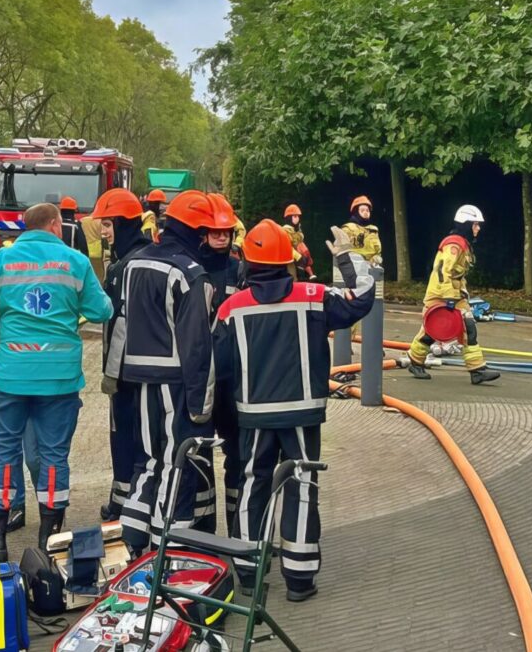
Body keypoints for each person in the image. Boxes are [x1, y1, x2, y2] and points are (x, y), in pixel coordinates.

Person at [218, 220, 375, 603]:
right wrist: (346, 257)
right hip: (303, 415)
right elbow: (363, 295)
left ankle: (249, 573)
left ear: (248, 262)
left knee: (253, 486)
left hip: (253, 416)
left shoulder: (230, 308)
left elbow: (218, 369)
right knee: (302, 487)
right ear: (288, 261)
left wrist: (222, 417)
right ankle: (299, 580)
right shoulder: (314, 296)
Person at [0, 203, 114, 560]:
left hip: (12, 372)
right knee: (53, 454)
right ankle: (51, 536)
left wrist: (3, 331)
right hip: (59, 376)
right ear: (54, 225)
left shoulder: (2, 260)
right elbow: (102, 310)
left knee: (3, 449)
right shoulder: (75, 262)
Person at [109, 189, 219, 555]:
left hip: (138, 381)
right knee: (178, 464)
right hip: (176, 384)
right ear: (194, 232)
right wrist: (201, 405)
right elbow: (196, 345)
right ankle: (168, 550)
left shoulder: (135, 262)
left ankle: (133, 542)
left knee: (147, 462)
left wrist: (115, 376)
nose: (207, 239)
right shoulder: (191, 274)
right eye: (204, 231)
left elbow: (121, 325)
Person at [94, 187, 149, 522]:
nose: (103, 232)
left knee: (124, 438)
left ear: (125, 225)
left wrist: (111, 375)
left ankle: (122, 504)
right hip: (154, 372)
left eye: (109, 225)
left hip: (126, 372)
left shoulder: (121, 270)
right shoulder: (153, 257)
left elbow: (117, 329)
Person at [404, 206, 502, 385]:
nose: (478, 228)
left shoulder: (461, 244)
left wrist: (459, 295)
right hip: (441, 294)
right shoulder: (454, 245)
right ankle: (416, 362)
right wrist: (449, 297)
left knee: (468, 328)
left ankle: (476, 369)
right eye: (475, 224)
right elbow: (443, 271)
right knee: (432, 330)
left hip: (454, 295)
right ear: (466, 224)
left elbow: (457, 275)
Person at [199, 192, 244, 531]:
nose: (220, 237)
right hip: (199, 378)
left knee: (239, 456)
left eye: (224, 233)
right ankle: (201, 532)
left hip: (231, 380)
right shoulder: (191, 268)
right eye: (214, 232)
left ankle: (240, 526)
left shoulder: (239, 269)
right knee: (198, 456)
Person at [340, 196, 384, 299]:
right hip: (355, 268)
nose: (365, 212)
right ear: (356, 212)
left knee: (374, 298)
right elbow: (342, 249)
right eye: (362, 210)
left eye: (367, 210)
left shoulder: (373, 229)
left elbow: (377, 251)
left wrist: (375, 259)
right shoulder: (347, 228)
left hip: (372, 266)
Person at [281, 203, 316, 281]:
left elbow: (300, 243)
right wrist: (298, 257)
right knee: (292, 277)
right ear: (289, 218)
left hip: (300, 258)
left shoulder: (297, 229)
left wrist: (304, 254)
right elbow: (287, 247)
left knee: (301, 277)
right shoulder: (285, 231)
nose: (297, 218)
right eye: (295, 216)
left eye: (298, 216)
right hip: (289, 259)